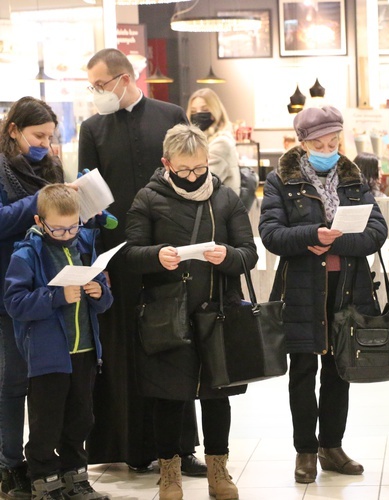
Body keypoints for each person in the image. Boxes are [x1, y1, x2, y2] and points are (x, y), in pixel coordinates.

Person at [77, 48, 206, 475]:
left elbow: (192, 175)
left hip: (167, 255)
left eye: (101, 85)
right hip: (115, 256)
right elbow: (86, 194)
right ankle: (130, 446)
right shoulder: (92, 128)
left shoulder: (170, 113)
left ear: (125, 78)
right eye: (92, 87)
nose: (97, 94)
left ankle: (181, 447)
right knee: (121, 348)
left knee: (174, 345)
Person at [122, 124, 258, 500]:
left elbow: (249, 253)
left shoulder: (226, 198)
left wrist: (227, 256)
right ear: (167, 164)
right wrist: (156, 256)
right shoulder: (148, 198)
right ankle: (170, 474)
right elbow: (130, 255)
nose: (194, 176)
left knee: (218, 396)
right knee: (169, 397)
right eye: (184, 170)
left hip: (218, 312)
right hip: (167, 316)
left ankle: (219, 471)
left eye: (200, 168)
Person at [258, 106, 387, 484]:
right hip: (300, 290)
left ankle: (332, 447)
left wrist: (338, 241)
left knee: (339, 370)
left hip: (347, 288)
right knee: (302, 372)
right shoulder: (282, 180)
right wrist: (310, 236)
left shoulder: (353, 177)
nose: (328, 148)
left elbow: (376, 230)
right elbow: (271, 233)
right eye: (319, 142)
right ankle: (305, 451)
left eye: (334, 141)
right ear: (302, 142)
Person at [4, 184, 113, 500]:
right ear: (39, 221)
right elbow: (15, 303)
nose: (67, 234)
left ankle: (75, 478)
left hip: (86, 351)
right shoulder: (26, 253)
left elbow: (105, 302)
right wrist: (55, 297)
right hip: (47, 356)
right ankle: (44, 480)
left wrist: (99, 295)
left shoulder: (84, 246)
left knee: (80, 420)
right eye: (59, 228)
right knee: (46, 422)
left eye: (73, 226)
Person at [0, 97, 64, 500]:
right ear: (13, 130)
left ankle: (41, 459)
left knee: (44, 380)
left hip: (51, 285)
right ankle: (9, 465)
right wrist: (40, 202)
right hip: (10, 287)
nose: (44, 143)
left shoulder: (50, 167)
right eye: (38, 135)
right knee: (12, 379)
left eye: (50, 136)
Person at [186, 88, 240, 196]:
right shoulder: (200, 142)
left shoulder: (221, 143)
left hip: (217, 210)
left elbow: (200, 183)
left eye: (204, 110)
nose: (198, 114)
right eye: (193, 111)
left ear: (215, 111)